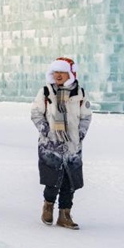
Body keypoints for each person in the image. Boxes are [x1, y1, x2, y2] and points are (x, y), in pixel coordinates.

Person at [30, 57, 92, 230]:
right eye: (55, 71)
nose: (58, 75)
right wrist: (47, 132)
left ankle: (65, 214)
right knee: (52, 179)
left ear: (70, 74)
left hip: (72, 145)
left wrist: (80, 134)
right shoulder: (46, 91)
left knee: (69, 181)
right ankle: (48, 206)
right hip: (50, 146)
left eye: (62, 72)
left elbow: (86, 116)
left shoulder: (80, 93)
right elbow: (36, 113)